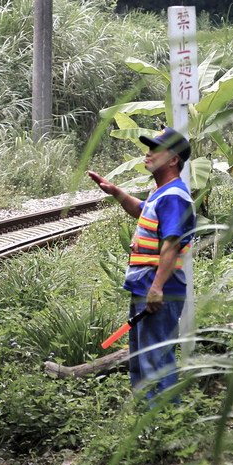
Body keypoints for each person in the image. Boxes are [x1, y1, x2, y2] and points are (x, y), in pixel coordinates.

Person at [87, 127, 195, 400]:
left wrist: (157, 287)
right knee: (144, 359)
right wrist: (116, 192)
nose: (148, 153)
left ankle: (164, 420)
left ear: (173, 160)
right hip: (147, 288)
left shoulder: (173, 196)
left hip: (159, 291)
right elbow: (141, 209)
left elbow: (172, 243)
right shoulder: (162, 193)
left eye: (156, 149)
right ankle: (150, 423)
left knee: (156, 359)